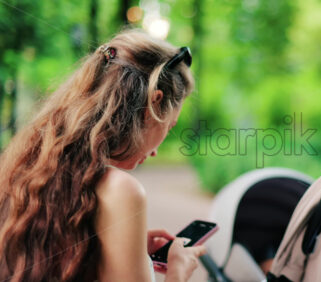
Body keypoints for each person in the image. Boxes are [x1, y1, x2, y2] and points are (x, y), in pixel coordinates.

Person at [0, 29, 205, 282]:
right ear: (153, 104)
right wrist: (177, 272)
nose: (155, 151)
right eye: (169, 125)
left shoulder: (30, 169)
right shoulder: (121, 189)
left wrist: (124, 249)